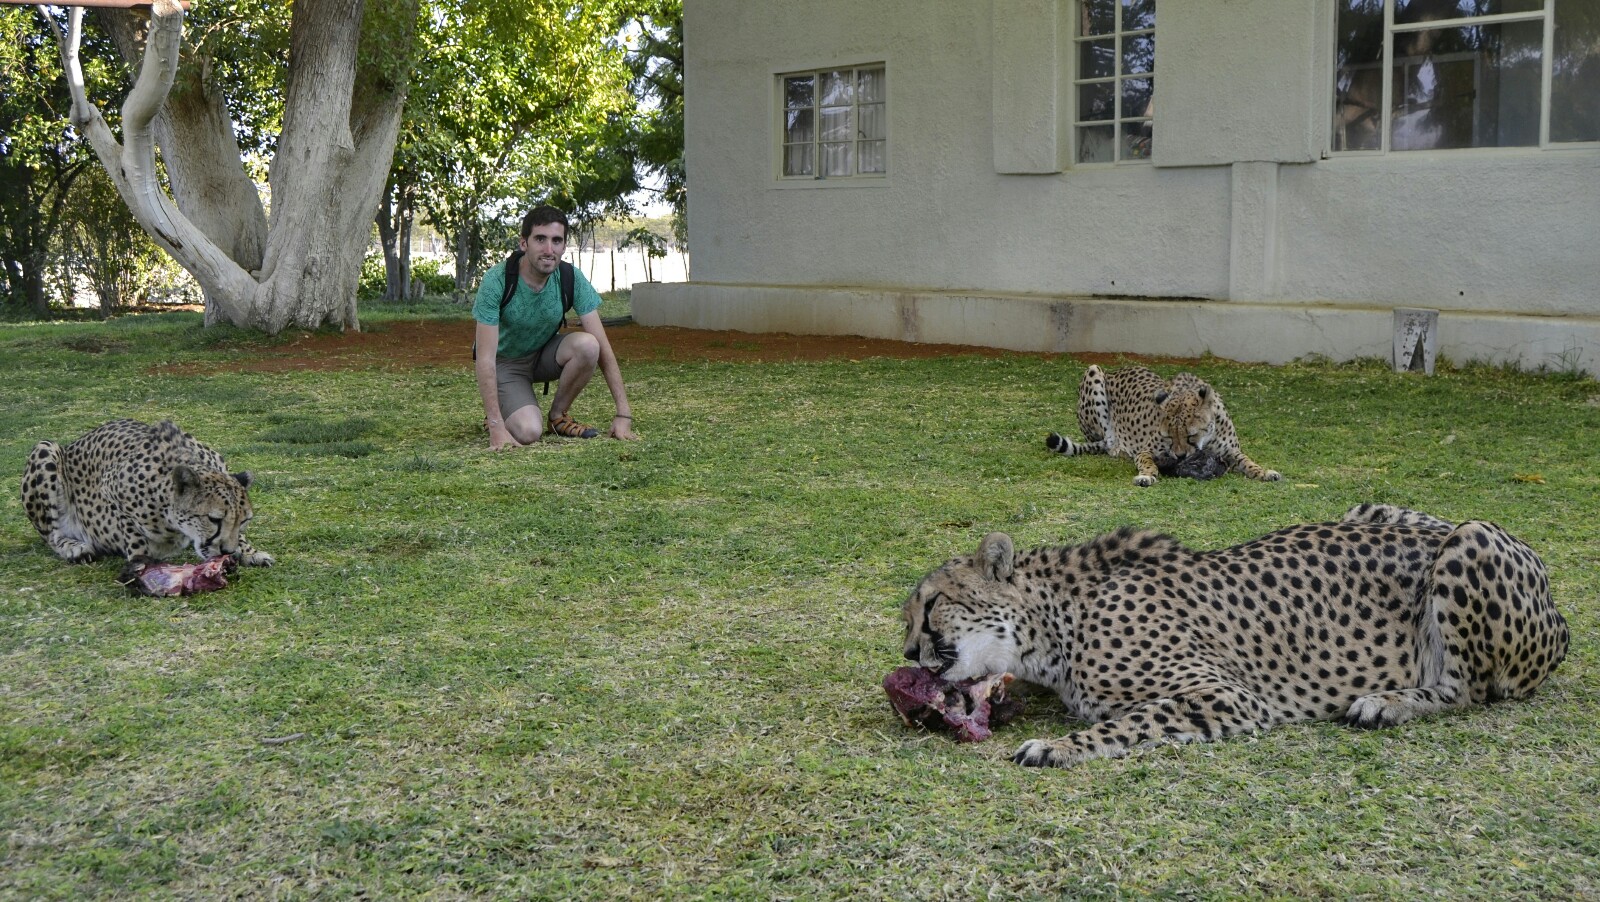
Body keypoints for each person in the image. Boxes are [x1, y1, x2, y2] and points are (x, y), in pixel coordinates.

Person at [473, 205, 638, 450]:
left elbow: (603, 347)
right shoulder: (496, 280)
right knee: (529, 431)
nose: (549, 250)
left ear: (563, 246)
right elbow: (485, 358)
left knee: (589, 345)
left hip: (543, 355)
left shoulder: (570, 277)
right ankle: (499, 413)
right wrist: (497, 425)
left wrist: (623, 413)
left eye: (556, 241)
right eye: (540, 239)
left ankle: (558, 416)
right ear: (524, 243)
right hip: (506, 364)